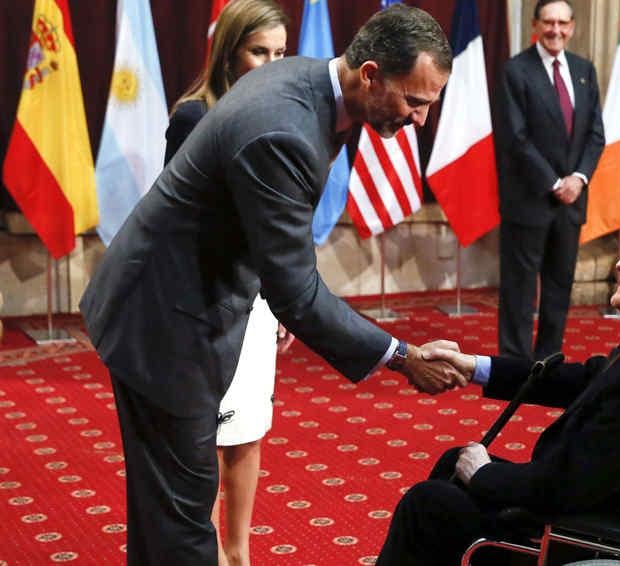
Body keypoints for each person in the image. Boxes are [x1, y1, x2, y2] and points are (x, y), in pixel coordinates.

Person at [79, 5, 462, 564]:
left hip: (173, 302)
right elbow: (297, 292)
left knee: (163, 510)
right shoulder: (284, 130)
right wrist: (402, 356)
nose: (420, 121)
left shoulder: (306, 80)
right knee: (184, 521)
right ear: (371, 74)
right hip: (166, 325)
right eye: (415, 101)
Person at [376, 217, 620, 566]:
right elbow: (583, 379)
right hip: (601, 505)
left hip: (583, 534)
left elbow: (566, 486)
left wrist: (484, 475)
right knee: (453, 465)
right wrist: (472, 366)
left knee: (428, 504)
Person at [163, 2, 291, 565]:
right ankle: (207, 557)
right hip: (208, 304)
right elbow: (175, 223)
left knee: (246, 433)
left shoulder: (282, 115)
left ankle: (238, 556)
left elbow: (281, 223)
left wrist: (282, 296)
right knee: (206, 443)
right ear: (229, 52)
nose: (269, 64)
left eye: (280, 54)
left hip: (259, 300)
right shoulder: (194, 117)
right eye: (258, 51)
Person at [494, 0, 605, 361]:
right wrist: (555, 183)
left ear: (572, 26)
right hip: (530, 200)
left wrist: (578, 179)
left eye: (562, 23)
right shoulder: (516, 70)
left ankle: (547, 362)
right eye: (548, 22)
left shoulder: (584, 70)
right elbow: (515, 137)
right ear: (535, 25)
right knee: (519, 290)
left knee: (559, 288)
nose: (555, 30)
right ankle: (515, 364)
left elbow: (595, 135)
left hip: (572, 202)